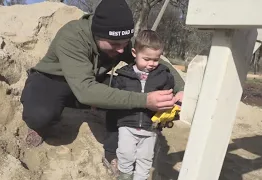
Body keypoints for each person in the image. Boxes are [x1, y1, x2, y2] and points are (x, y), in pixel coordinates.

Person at [20, 0, 184, 170]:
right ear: (97, 35)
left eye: (125, 43)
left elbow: (157, 63)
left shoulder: (120, 40)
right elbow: (86, 91)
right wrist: (145, 100)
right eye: (114, 44)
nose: (121, 50)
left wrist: (181, 89)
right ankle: (41, 126)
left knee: (130, 88)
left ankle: (113, 152)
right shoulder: (72, 36)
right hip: (53, 80)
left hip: (89, 83)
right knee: (39, 116)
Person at [105, 30, 178, 180]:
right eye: (146, 59)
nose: (151, 64)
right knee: (125, 153)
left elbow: (169, 93)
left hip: (150, 127)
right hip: (127, 123)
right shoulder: (124, 75)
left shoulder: (163, 75)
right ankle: (125, 175)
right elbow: (115, 97)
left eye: (156, 60)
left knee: (145, 159)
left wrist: (171, 106)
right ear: (134, 52)